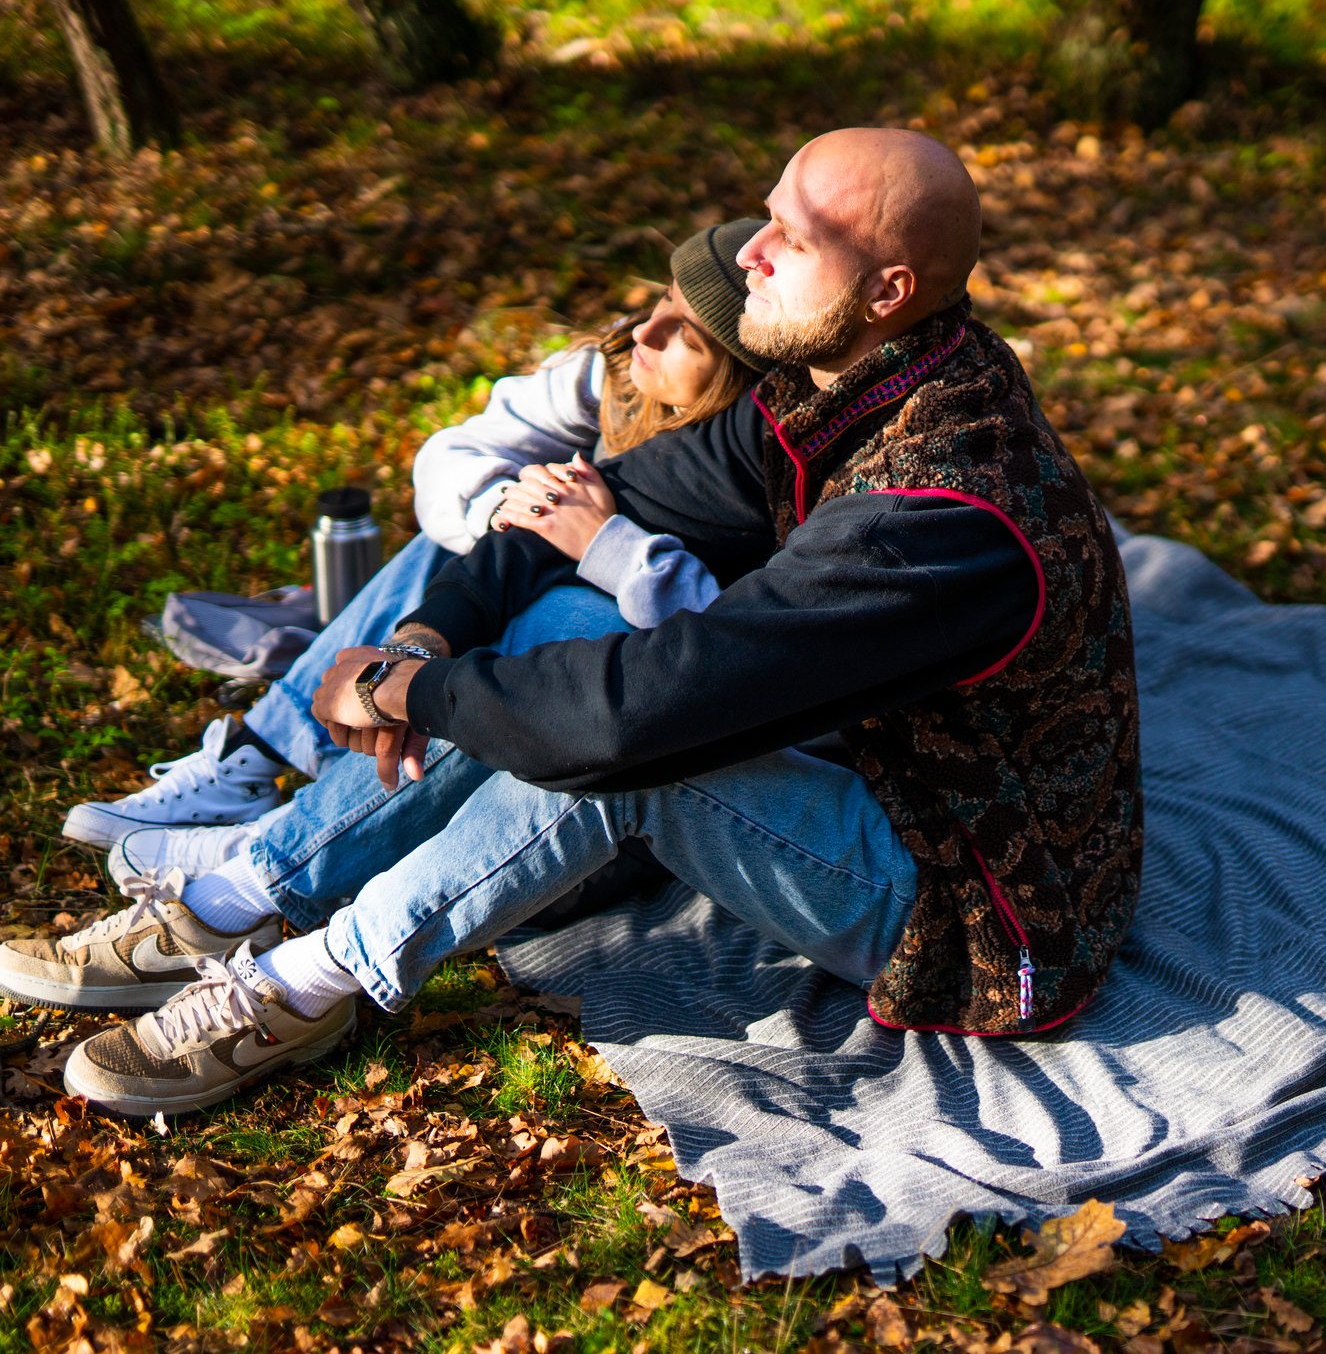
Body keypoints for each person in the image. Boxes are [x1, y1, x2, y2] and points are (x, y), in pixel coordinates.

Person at [31, 128, 1141, 1118]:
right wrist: (423, 640)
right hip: (879, 771)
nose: (746, 251)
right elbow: (590, 500)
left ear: (890, 287)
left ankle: (307, 983)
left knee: (637, 756)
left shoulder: (930, 511)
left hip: (975, 910)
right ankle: (236, 899)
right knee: (562, 603)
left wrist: (404, 692)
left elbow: (633, 719)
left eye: (790, 241)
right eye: (765, 217)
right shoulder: (845, 382)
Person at [59, 219, 768, 883]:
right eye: (662, 301)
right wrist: (503, 509)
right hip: (518, 602)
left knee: (562, 617)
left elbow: (729, 644)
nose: (648, 329)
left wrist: (602, 543)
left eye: (687, 336)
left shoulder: (747, 475)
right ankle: (260, 759)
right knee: (453, 541)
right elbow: (455, 452)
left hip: (616, 675)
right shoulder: (616, 369)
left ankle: (300, 834)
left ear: (736, 375)